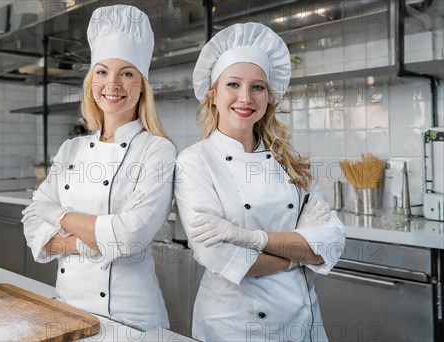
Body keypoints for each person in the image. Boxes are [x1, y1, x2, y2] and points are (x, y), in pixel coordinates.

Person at [174, 23, 346, 341]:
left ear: (268, 96)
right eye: (233, 84)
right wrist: (301, 251)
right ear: (212, 95)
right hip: (234, 325)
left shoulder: (286, 159)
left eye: (257, 87)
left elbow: (332, 241)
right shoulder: (195, 161)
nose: (246, 97)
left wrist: (247, 237)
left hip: (301, 321)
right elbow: (222, 257)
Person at [21, 4, 174, 331]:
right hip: (65, 307)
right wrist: (88, 242)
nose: (113, 84)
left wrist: (58, 216)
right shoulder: (71, 148)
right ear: (92, 80)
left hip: (129, 319)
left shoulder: (157, 150)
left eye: (127, 73)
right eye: (102, 72)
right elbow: (33, 219)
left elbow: (130, 236)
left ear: (142, 85)